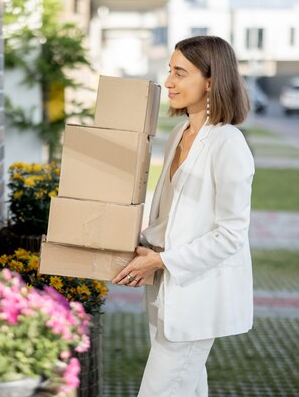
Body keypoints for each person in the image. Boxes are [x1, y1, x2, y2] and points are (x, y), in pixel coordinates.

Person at [113, 36, 255, 397]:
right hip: (165, 289)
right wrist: (132, 246)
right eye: (169, 72)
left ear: (211, 81)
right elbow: (169, 215)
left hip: (197, 296)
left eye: (180, 73)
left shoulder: (228, 144)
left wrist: (161, 260)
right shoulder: (179, 133)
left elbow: (231, 234)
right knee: (188, 389)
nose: (169, 82)